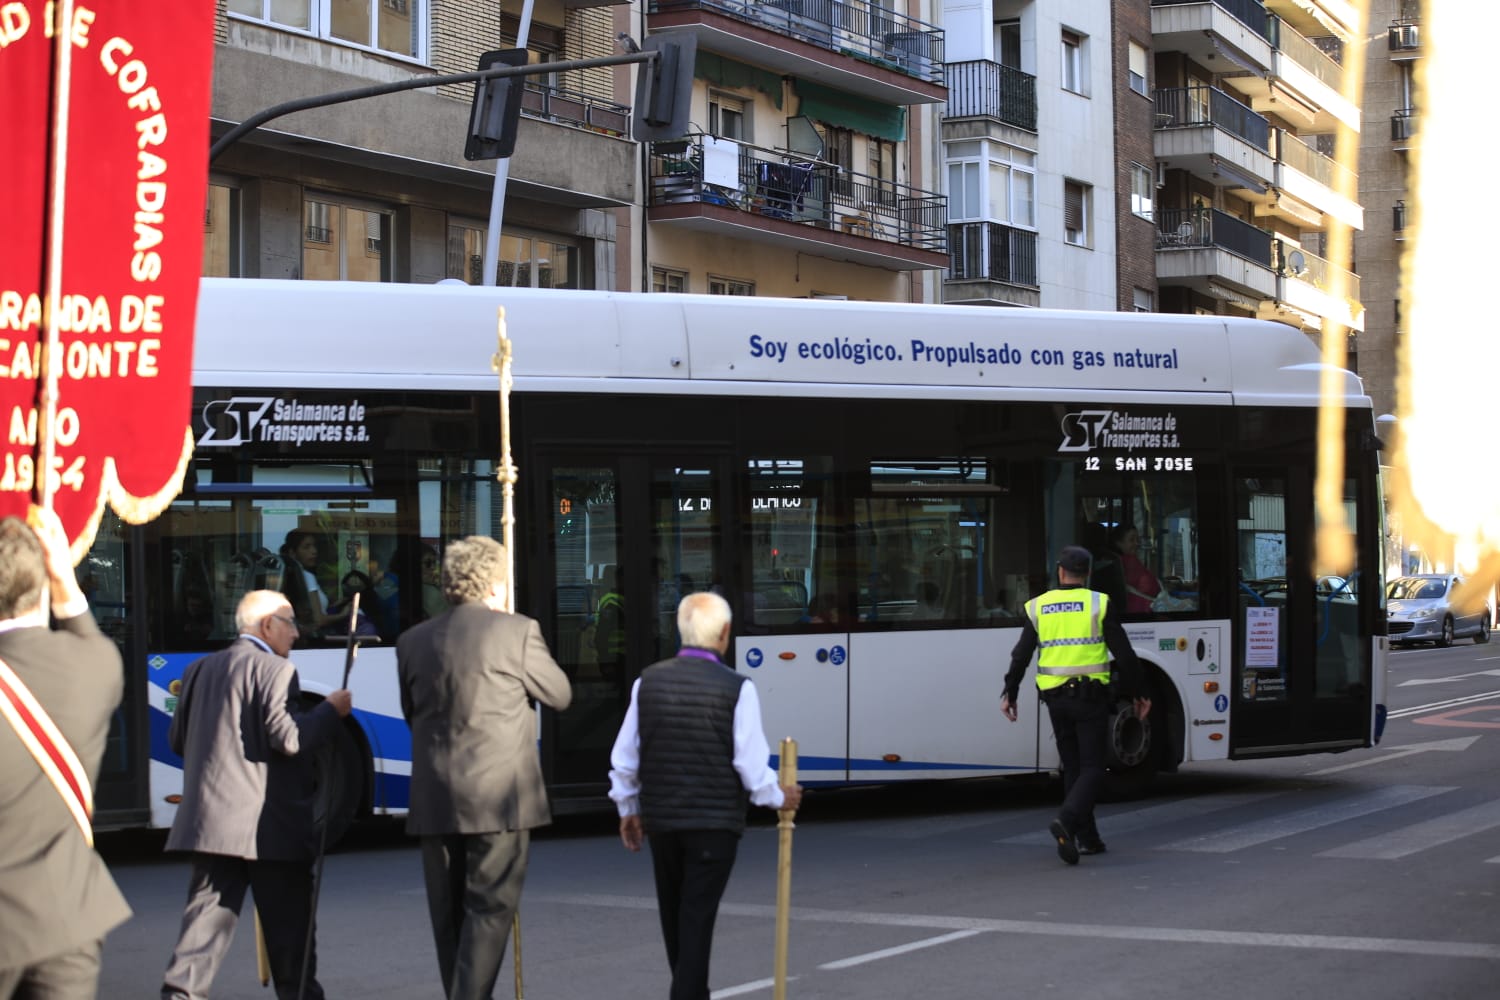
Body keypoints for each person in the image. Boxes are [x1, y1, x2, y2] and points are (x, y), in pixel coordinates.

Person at [397, 535, 572, 1000]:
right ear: (495, 584)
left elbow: (410, 709)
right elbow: (559, 694)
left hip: (435, 796)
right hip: (501, 797)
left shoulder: (412, 640)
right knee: (489, 912)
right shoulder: (516, 631)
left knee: (449, 917)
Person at [608, 591, 803, 1000]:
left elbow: (626, 757)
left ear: (680, 631)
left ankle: (690, 990)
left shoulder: (648, 681)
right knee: (696, 920)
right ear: (725, 633)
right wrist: (778, 796)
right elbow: (749, 765)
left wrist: (628, 807)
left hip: (663, 821)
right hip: (714, 826)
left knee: (676, 922)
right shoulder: (737, 688)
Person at [160, 590, 354, 1000]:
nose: (297, 634)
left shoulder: (198, 669)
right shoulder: (276, 671)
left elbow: (179, 741)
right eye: (291, 622)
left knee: (200, 935)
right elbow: (291, 740)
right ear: (268, 625)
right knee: (291, 948)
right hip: (269, 830)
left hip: (211, 825)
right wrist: (329, 712)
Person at [0, 509, 131, 999]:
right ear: (42, 587)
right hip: (67, 921)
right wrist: (63, 579)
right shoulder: (95, 665)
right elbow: (87, 632)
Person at [1001, 546, 1150, 865]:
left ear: (1060, 571)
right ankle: (1067, 821)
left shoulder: (1039, 606)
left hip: (1055, 699)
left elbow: (1021, 654)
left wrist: (1009, 691)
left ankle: (1088, 839)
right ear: (1088, 573)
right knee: (1095, 768)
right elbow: (1124, 654)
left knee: (1074, 767)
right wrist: (1140, 692)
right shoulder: (1098, 603)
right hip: (1090, 698)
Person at [280, 529, 341, 634]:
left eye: (314, 546)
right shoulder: (307, 577)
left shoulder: (290, 576)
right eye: (306, 547)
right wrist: (344, 614)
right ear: (293, 553)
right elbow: (318, 620)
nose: (314, 551)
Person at [1111, 525, 1162, 613]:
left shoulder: (1130, 559)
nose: (1136, 543)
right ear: (1119, 543)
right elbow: (1130, 588)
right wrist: (1155, 601)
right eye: (1131, 540)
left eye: (1137, 540)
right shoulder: (1125, 562)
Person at [593, 565, 626, 673]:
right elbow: (601, 636)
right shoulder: (611, 602)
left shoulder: (621, 599)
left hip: (621, 657)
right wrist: (606, 662)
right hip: (614, 657)